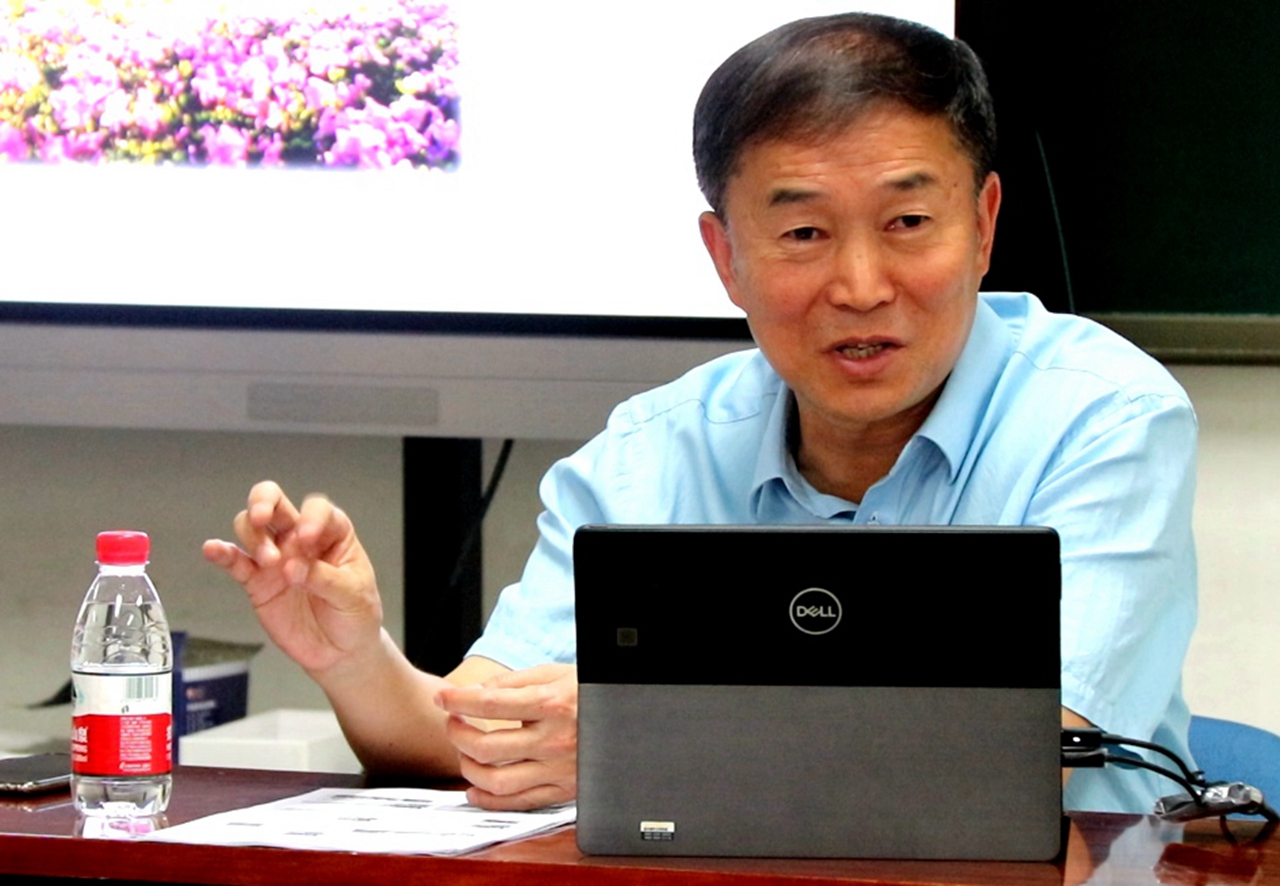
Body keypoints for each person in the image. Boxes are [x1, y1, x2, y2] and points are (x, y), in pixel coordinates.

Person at [204, 13, 1197, 815]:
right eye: (802, 232)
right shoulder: (657, 449)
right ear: (725, 258)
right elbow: (486, 736)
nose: (860, 285)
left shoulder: (1104, 420)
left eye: (906, 222)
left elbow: (1035, 754)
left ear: (981, 226)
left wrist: (644, 740)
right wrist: (357, 659)